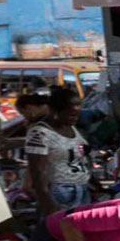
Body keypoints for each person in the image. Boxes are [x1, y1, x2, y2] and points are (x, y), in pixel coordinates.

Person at [25, 86, 93, 216]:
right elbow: (38, 171)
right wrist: (46, 201)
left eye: (77, 115)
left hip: (82, 187)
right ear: (55, 111)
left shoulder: (71, 128)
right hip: (60, 192)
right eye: (72, 114)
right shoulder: (39, 133)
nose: (75, 118)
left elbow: (80, 156)